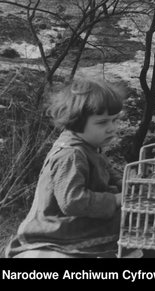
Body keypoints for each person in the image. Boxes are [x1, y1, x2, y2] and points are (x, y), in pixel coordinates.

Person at [4, 76, 126, 259]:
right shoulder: (71, 155)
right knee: (125, 224)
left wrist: (127, 185)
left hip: (73, 220)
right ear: (76, 121)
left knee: (131, 220)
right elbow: (73, 201)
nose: (112, 128)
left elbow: (107, 171)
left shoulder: (89, 146)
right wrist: (115, 199)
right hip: (57, 228)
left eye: (115, 120)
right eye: (102, 122)